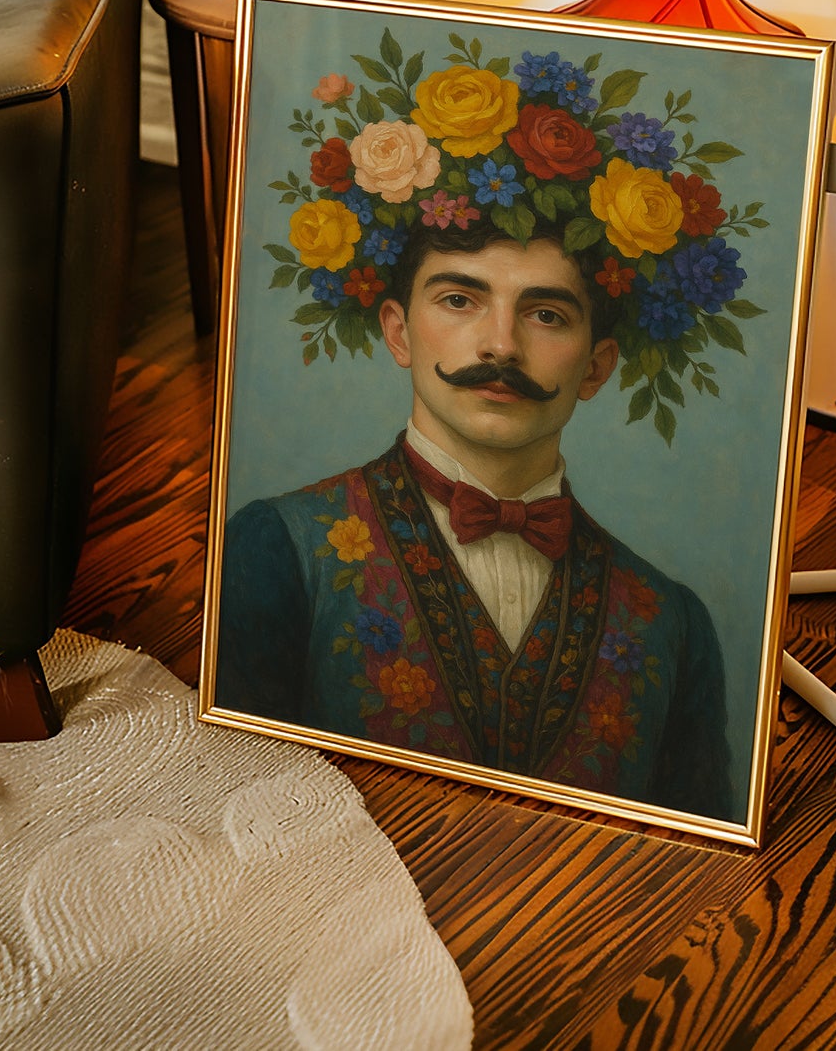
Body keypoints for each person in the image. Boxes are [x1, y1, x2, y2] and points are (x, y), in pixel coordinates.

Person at [215, 218, 734, 822]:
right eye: (459, 301)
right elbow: (235, 813)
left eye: (546, 315)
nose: (502, 347)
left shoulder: (672, 621)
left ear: (595, 367)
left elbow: (694, 859)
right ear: (399, 332)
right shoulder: (279, 548)